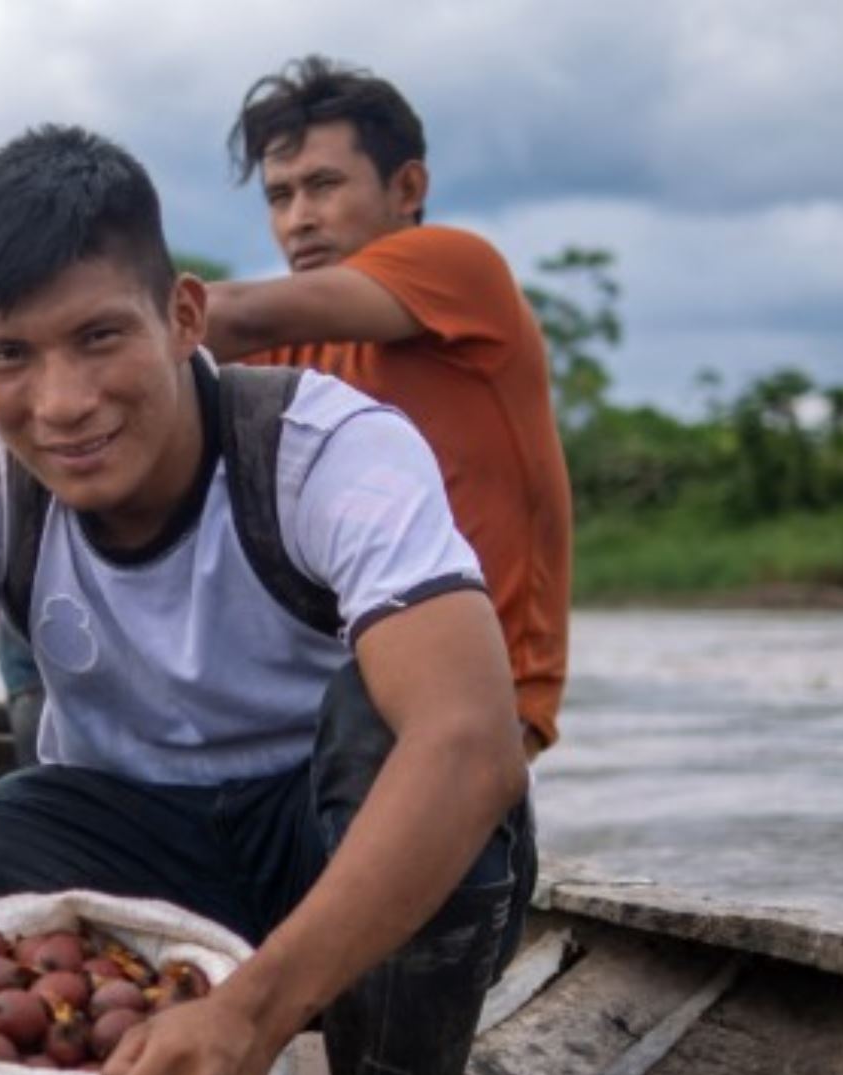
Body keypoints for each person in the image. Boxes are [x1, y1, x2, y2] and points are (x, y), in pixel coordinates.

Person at [0, 125, 533, 1075]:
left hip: (324, 834)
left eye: (98, 337)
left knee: (392, 725)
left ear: (183, 316)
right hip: (127, 831)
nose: (63, 402)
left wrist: (253, 1014)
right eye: (9, 356)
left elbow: (470, 746)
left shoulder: (327, 447)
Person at [205, 56, 573, 759]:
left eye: (323, 186)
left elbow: (233, 316)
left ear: (407, 187)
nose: (298, 220)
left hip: (474, 708)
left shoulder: (460, 269)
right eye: (279, 197)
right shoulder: (295, 353)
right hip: (331, 693)